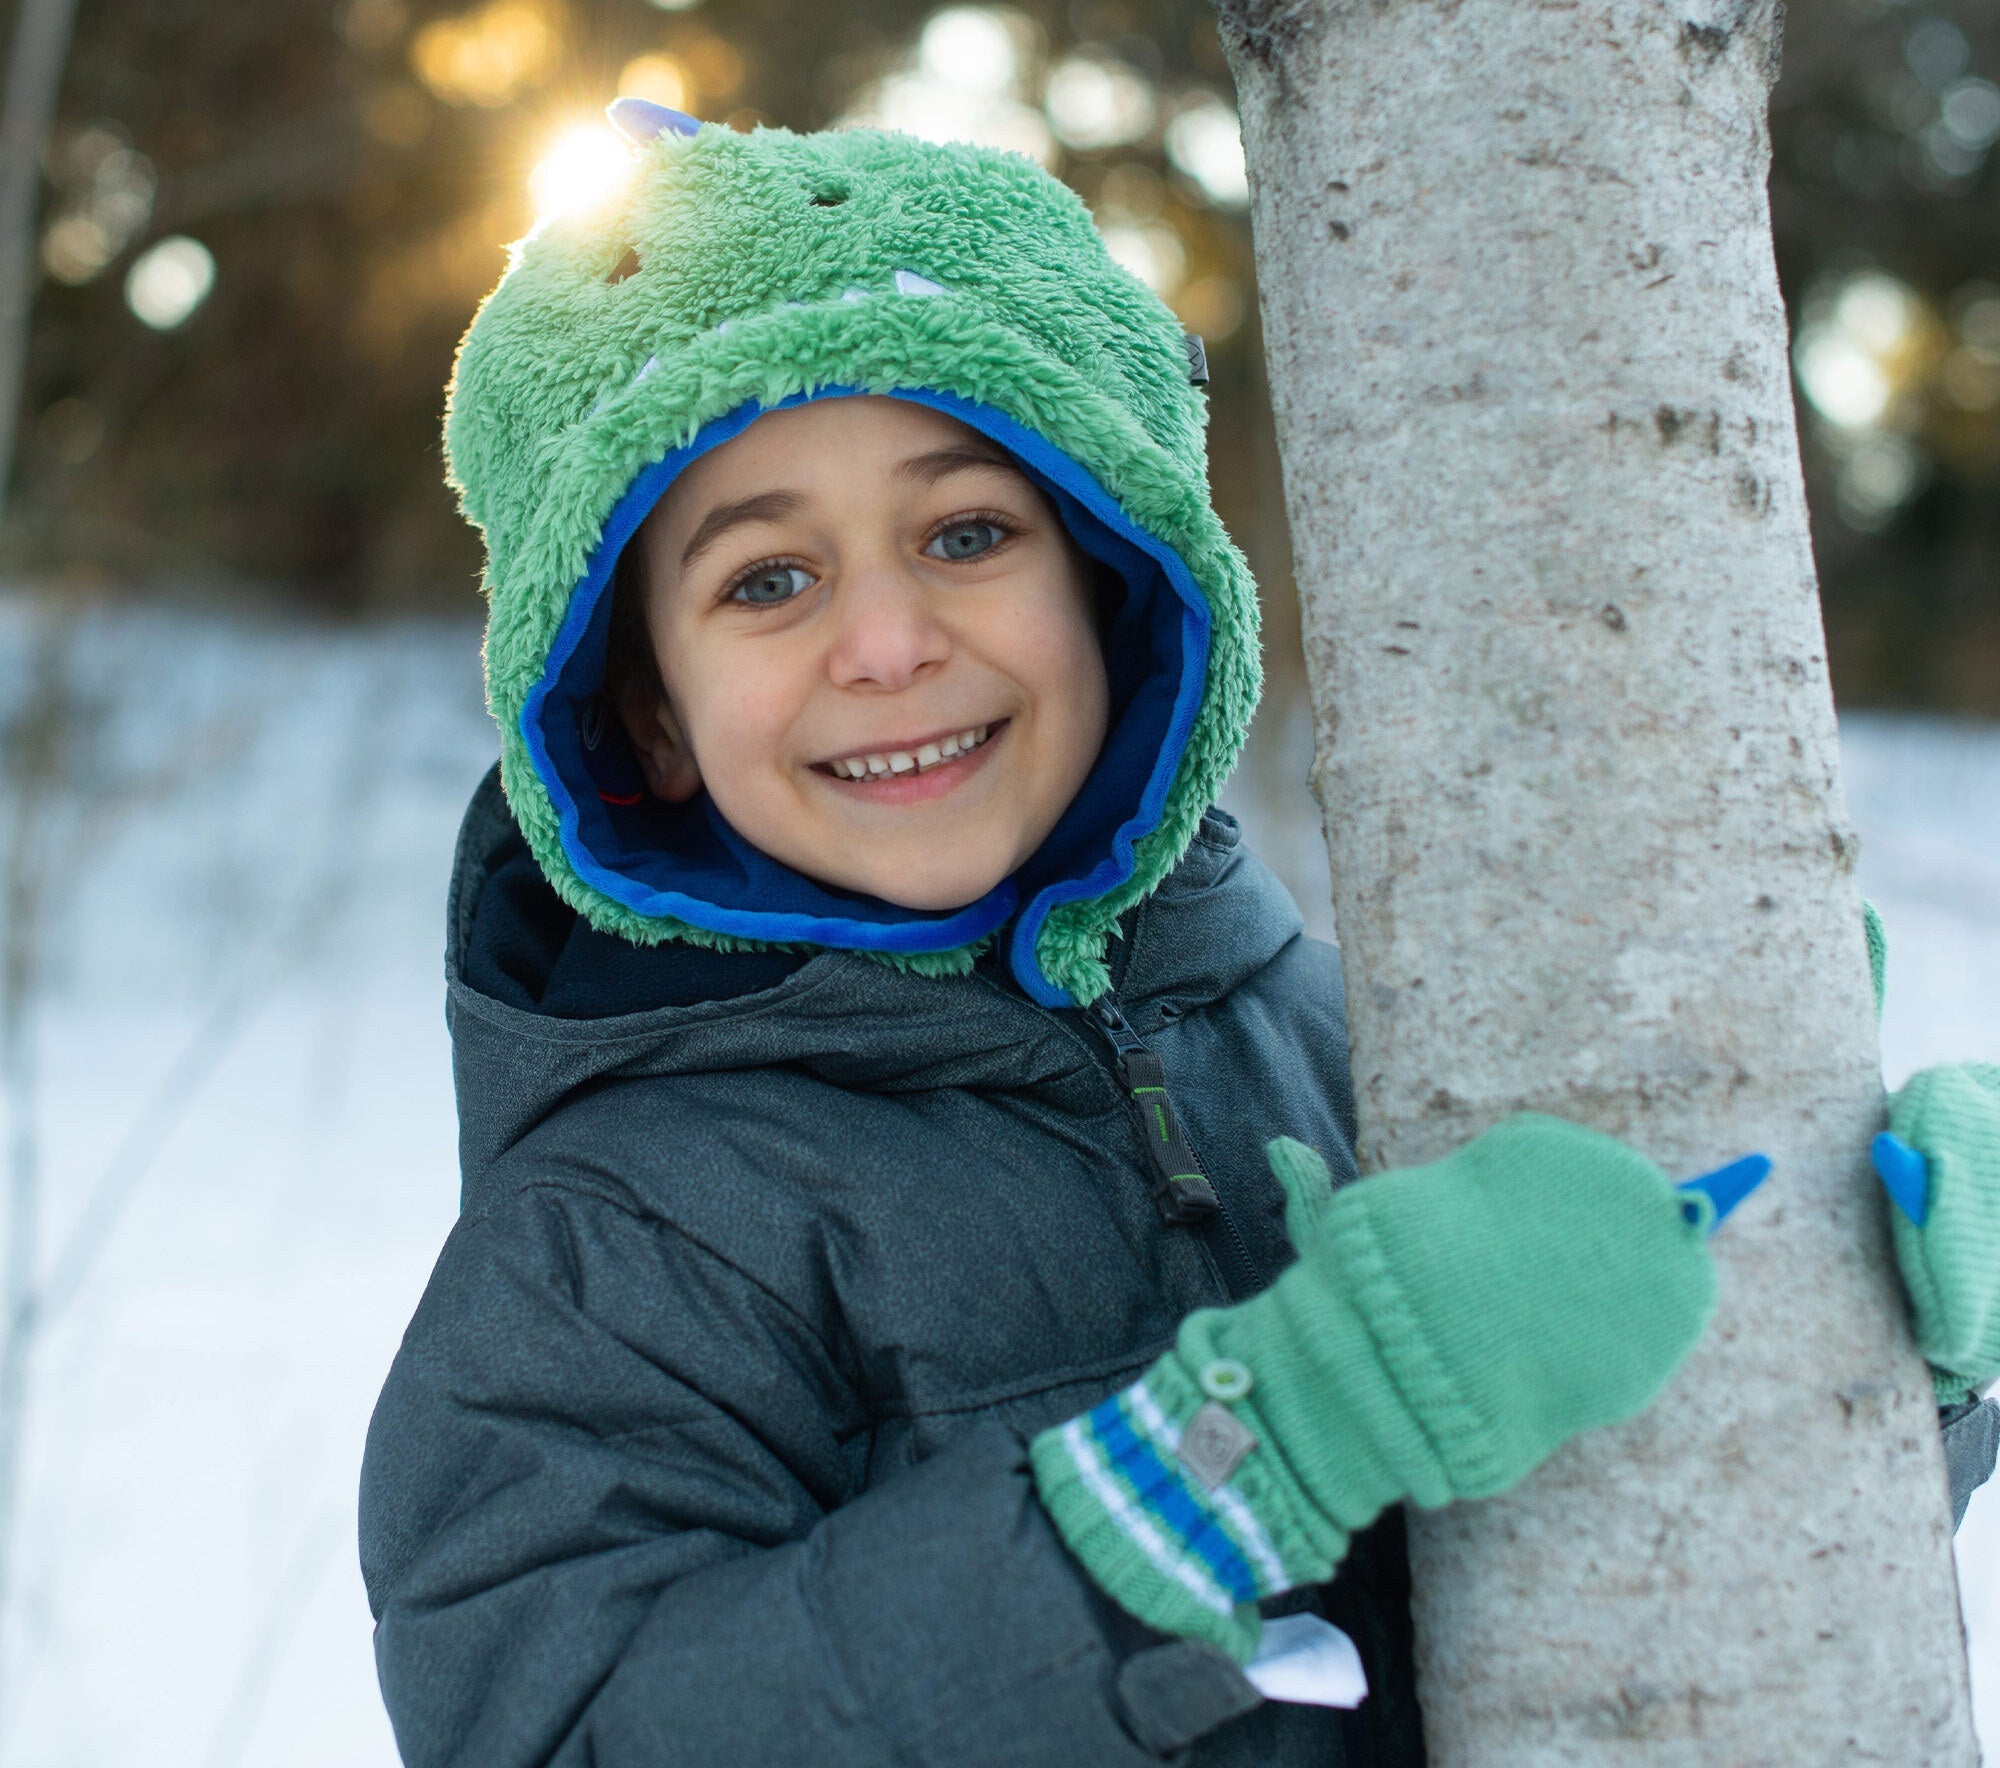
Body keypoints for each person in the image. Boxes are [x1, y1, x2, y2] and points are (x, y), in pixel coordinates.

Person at [360, 103, 2000, 1768]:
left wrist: (1845, 1368)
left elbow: (1616, 1620)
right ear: (643, 718)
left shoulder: (1363, 1048)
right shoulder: (623, 1239)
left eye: (968, 533)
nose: (885, 641)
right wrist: (1243, 1454)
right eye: (767, 581)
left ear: (1117, 584)